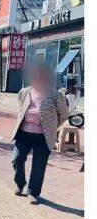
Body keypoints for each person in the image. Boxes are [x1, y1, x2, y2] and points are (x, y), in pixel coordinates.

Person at [12, 64, 69, 204]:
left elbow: (64, 114)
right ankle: (20, 183)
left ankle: (33, 192)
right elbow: (21, 109)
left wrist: (52, 126)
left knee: (39, 165)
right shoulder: (24, 92)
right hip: (24, 133)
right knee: (17, 158)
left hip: (44, 136)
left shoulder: (56, 96)